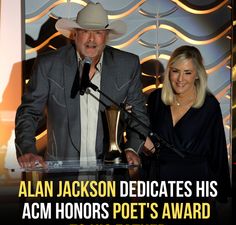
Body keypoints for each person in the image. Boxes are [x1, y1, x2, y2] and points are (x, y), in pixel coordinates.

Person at [15, 2, 149, 170]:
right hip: (63, 178)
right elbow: (29, 112)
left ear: (106, 36)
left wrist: (132, 148)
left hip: (110, 176)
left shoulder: (127, 65)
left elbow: (138, 115)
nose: (91, 39)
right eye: (85, 31)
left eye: (98, 32)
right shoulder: (49, 65)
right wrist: (27, 150)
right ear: (74, 35)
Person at [143, 45, 231, 202]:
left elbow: (218, 152)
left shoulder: (209, 105)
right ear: (169, 71)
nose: (180, 79)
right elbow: (148, 140)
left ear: (197, 75)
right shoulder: (156, 99)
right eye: (176, 71)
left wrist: (222, 194)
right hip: (159, 188)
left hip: (194, 189)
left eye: (187, 72)